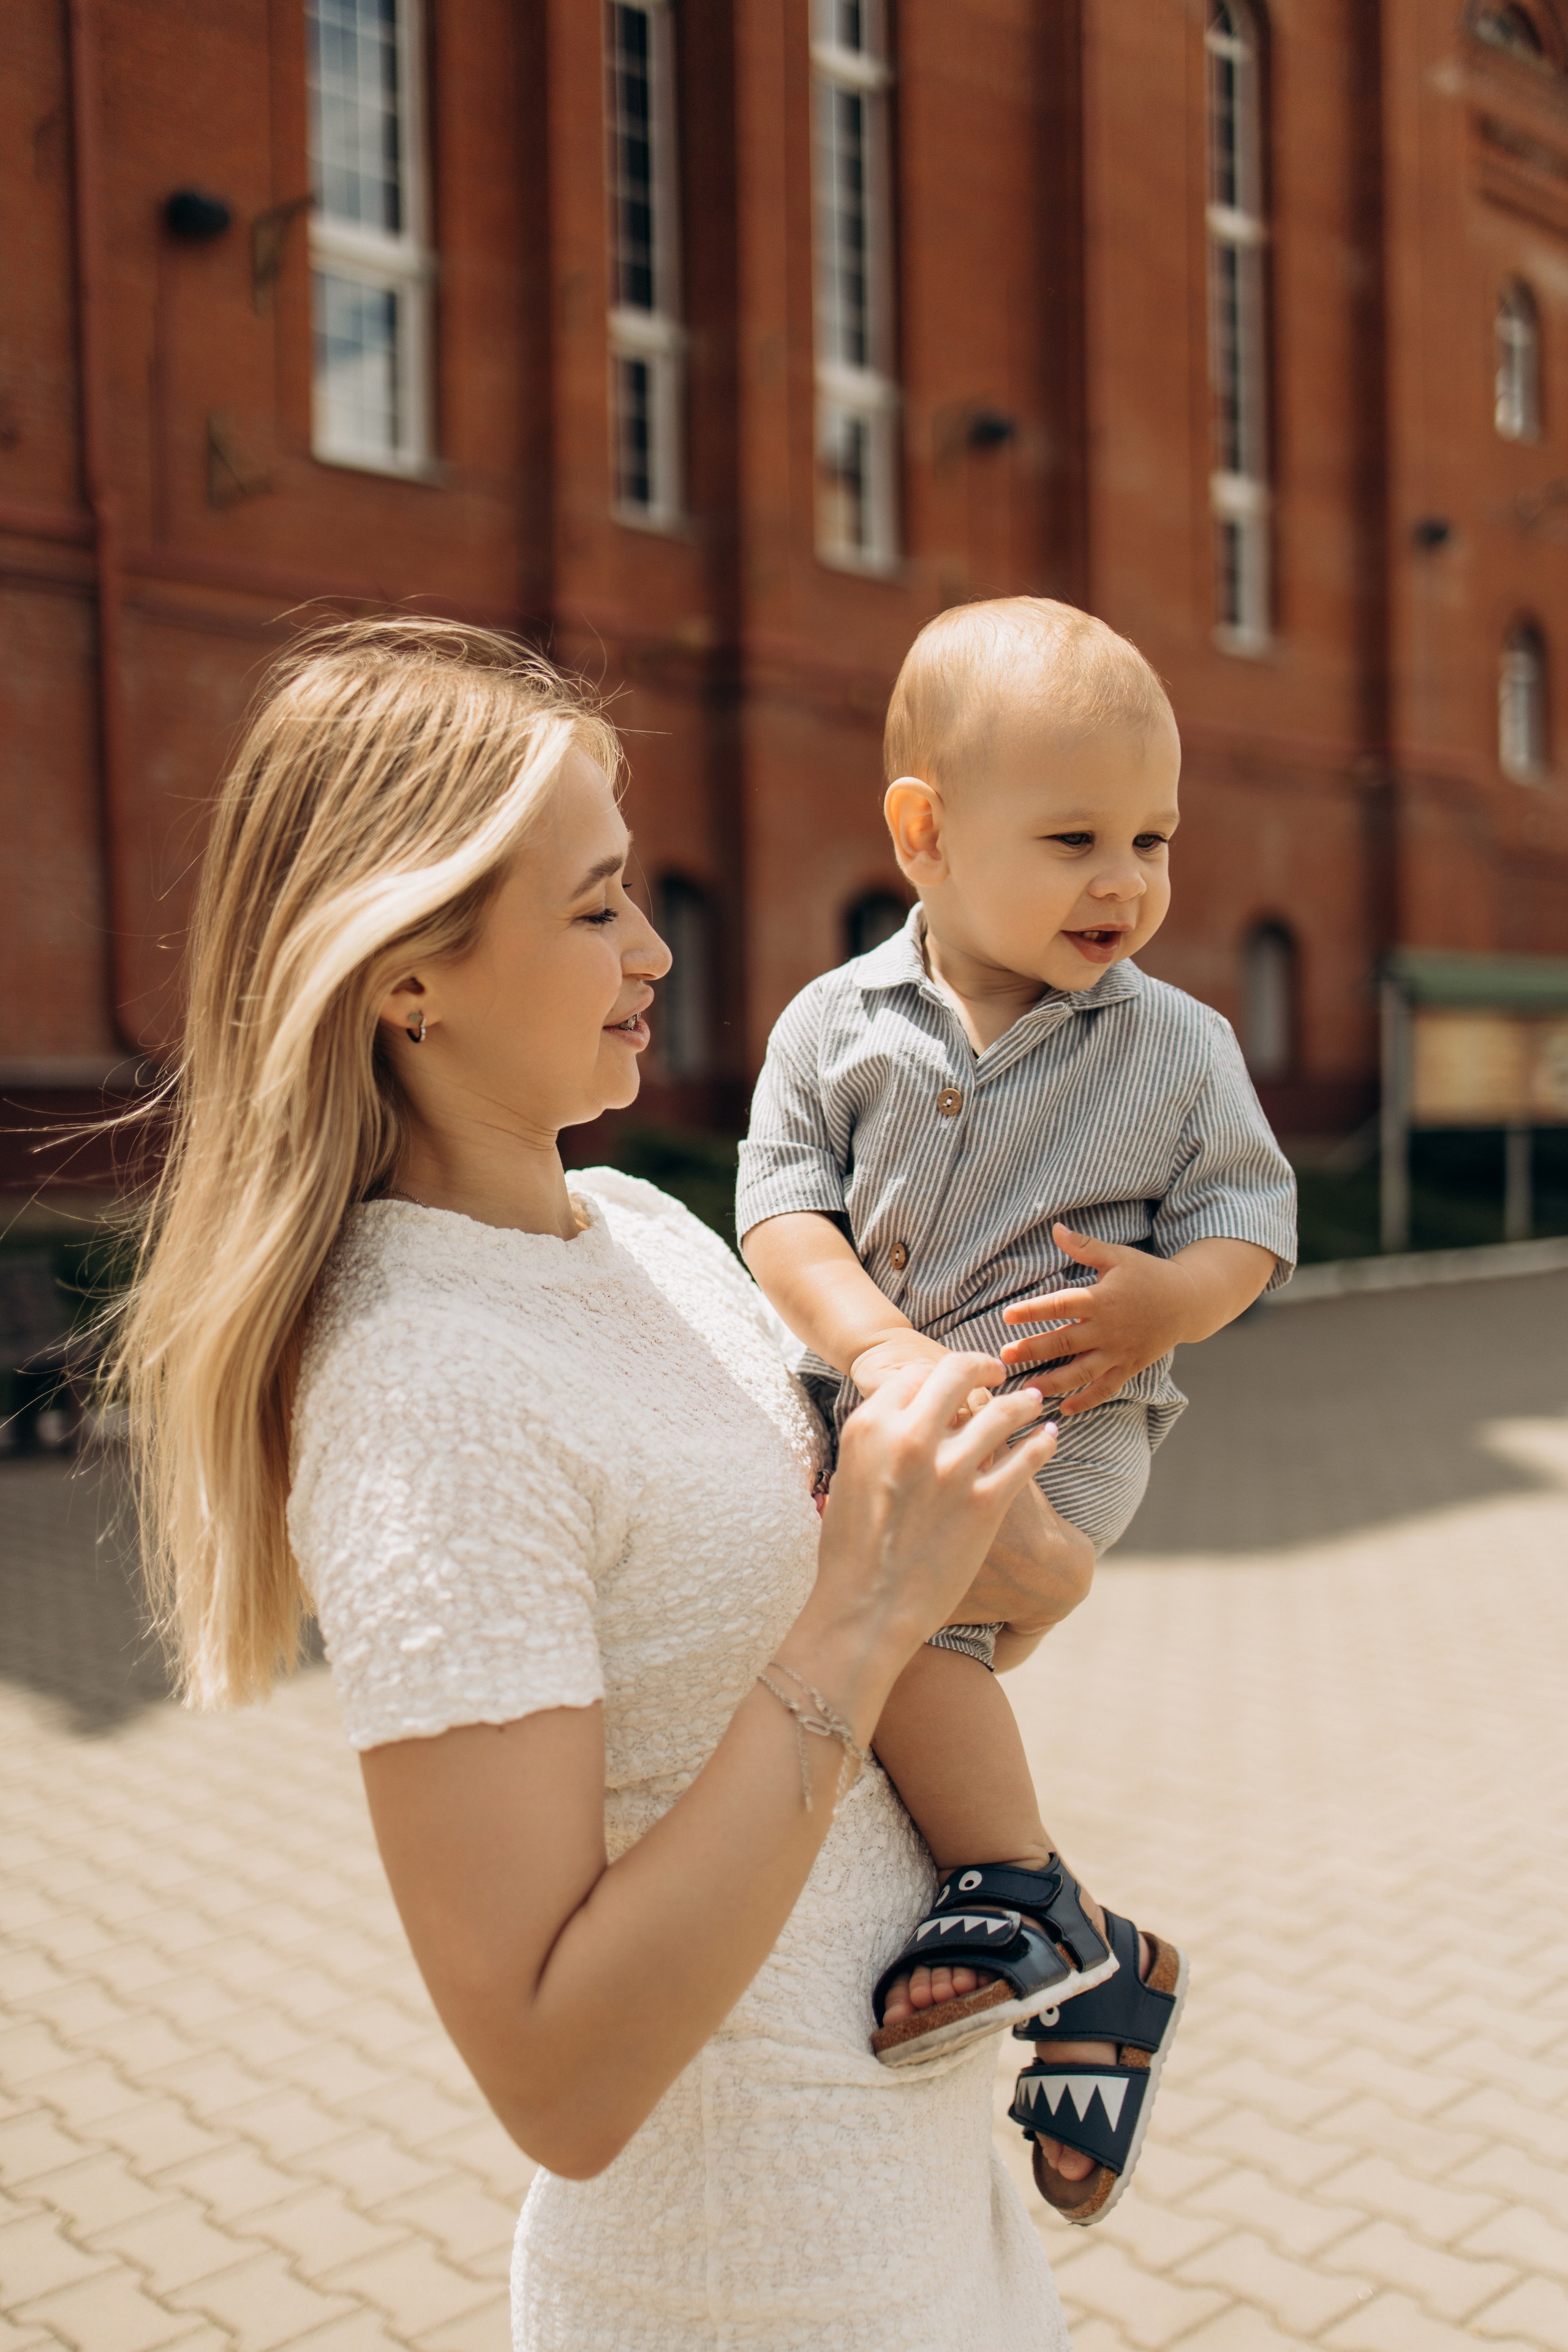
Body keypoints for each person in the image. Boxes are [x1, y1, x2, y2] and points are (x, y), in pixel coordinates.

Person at [111, 615, 1102, 2350]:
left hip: (930, 2224)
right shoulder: (425, 1384)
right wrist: (865, 1611)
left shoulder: (640, 1229)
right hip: (749, 2280)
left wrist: (979, 1550)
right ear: (404, 974)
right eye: (591, 909)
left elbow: (810, 1680)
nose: (653, 949)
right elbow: (559, 2079)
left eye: (631, 889)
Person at [739, 596, 1298, 2222]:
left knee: (906, 1625)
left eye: (1151, 837)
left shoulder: (1179, 1049)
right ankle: (1100, 1981)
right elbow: (782, 1214)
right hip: (884, 1406)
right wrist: (875, 1350)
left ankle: (1023, 1894)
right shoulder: (835, 1026)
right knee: (900, 1635)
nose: (1124, 882)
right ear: (924, 832)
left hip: (1071, 1425)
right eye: (1072, 838)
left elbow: (1252, 1221)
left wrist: (1171, 1304)